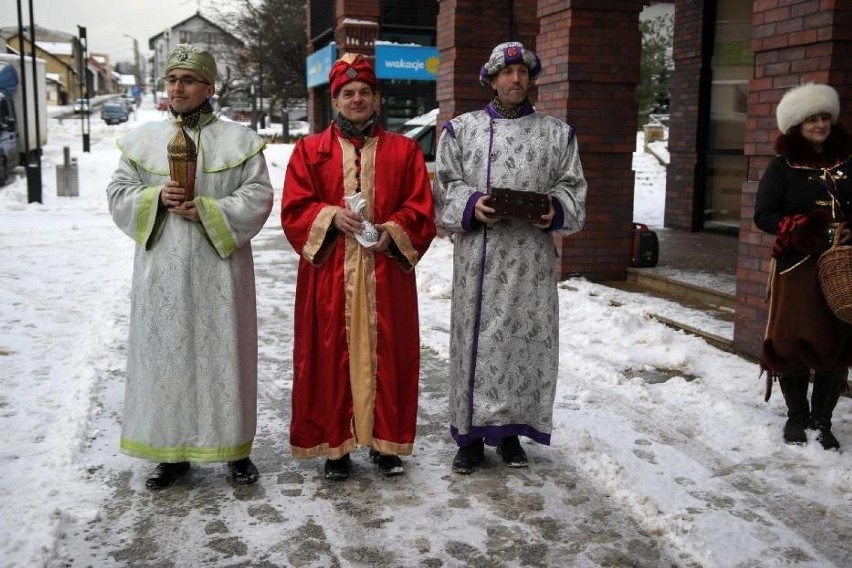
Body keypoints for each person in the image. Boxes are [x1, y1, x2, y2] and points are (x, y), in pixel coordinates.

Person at [106, 44, 274, 488]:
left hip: (221, 268)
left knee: (227, 353)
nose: (177, 88)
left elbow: (258, 196)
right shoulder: (143, 140)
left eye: (187, 80)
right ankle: (171, 451)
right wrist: (154, 198)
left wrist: (209, 211)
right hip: (162, 266)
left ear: (209, 86)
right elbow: (119, 192)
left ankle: (235, 449)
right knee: (167, 355)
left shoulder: (239, 141)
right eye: (172, 80)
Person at [432, 41, 588, 474]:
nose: (515, 79)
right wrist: (470, 203)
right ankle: (470, 437)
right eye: (506, 72)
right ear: (492, 78)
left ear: (531, 78)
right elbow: (444, 184)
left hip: (530, 261)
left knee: (524, 340)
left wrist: (553, 209)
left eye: (522, 72)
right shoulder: (460, 131)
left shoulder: (558, 134)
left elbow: (573, 189)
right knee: (475, 340)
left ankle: (512, 433)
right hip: (479, 258)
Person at [281, 53, 436, 480]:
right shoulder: (309, 151)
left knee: (391, 354)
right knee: (329, 353)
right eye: (347, 93)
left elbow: (420, 207)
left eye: (365, 92)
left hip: (386, 274)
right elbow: (294, 207)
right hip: (330, 274)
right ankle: (337, 447)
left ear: (377, 98)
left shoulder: (404, 151)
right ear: (335, 100)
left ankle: (386, 445)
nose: (357, 99)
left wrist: (393, 230)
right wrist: (329, 216)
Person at [754, 82, 852, 450]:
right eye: (812, 119)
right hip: (797, 268)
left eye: (825, 116)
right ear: (797, 125)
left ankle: (821, 421)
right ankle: (796, 417)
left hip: (843, 266)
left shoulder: (849, 161)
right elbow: (763, 216)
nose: (821, 124)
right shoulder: (782, 169)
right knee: (792, 340)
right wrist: (800, 227)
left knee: (836, 341)